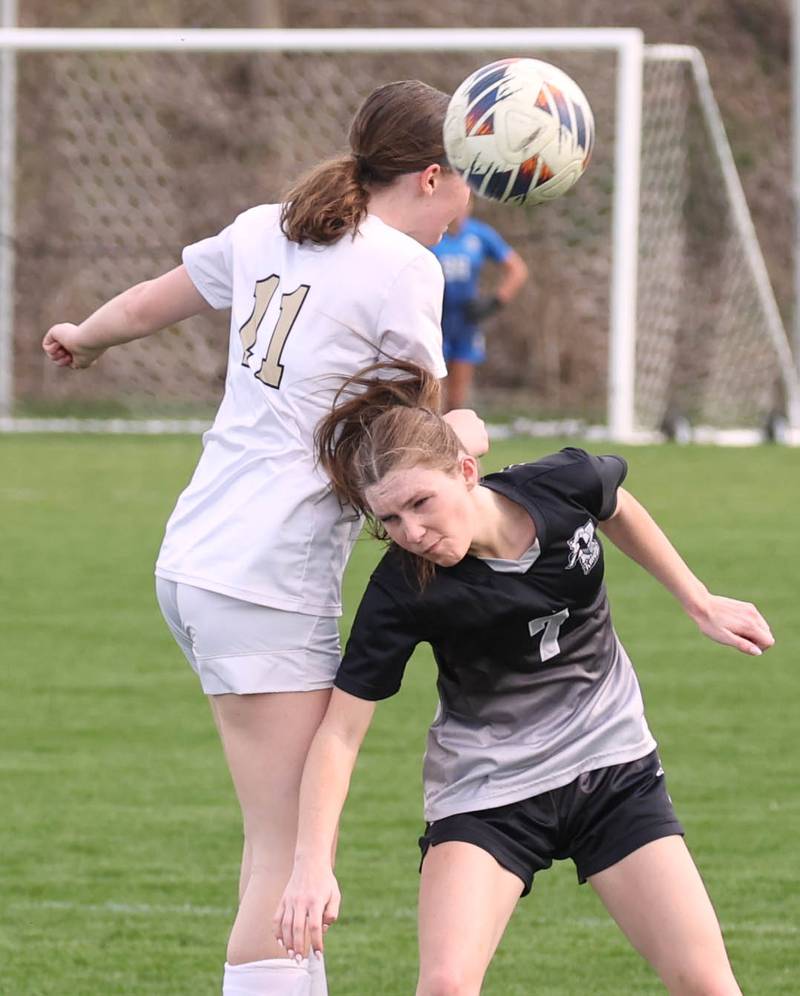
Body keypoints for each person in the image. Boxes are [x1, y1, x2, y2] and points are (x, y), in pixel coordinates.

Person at [41, 82, 487, 996]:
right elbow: (422, 446)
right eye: (469, 181)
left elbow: (145, 306)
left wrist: (81, 338)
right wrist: (469, 438)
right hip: (264, 578)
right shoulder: (405, 267)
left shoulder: (269, 225)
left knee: (272, 846)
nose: (470, 204)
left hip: (198, 557)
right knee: (289, 858)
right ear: (433, 176)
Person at [273, 359, 774, 996]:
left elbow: (615, 503)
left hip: (612, 771)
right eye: (390, 521)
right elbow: (340, 735)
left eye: (420, 505)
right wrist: (312, 866)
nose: (412, 533)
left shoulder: (562, 484)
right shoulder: (403, 588)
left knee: (708, 985)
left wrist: (697, 599)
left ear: (465, 471)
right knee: (447, 987)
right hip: (488, 795)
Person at [430, 197, 528, 410]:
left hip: (466, 322)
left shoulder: (479, 235)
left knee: (456, 399)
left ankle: (452, 441)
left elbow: (517, 269)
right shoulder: (431, 234)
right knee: (432, 393)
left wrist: (495, 302)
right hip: (435, 321)